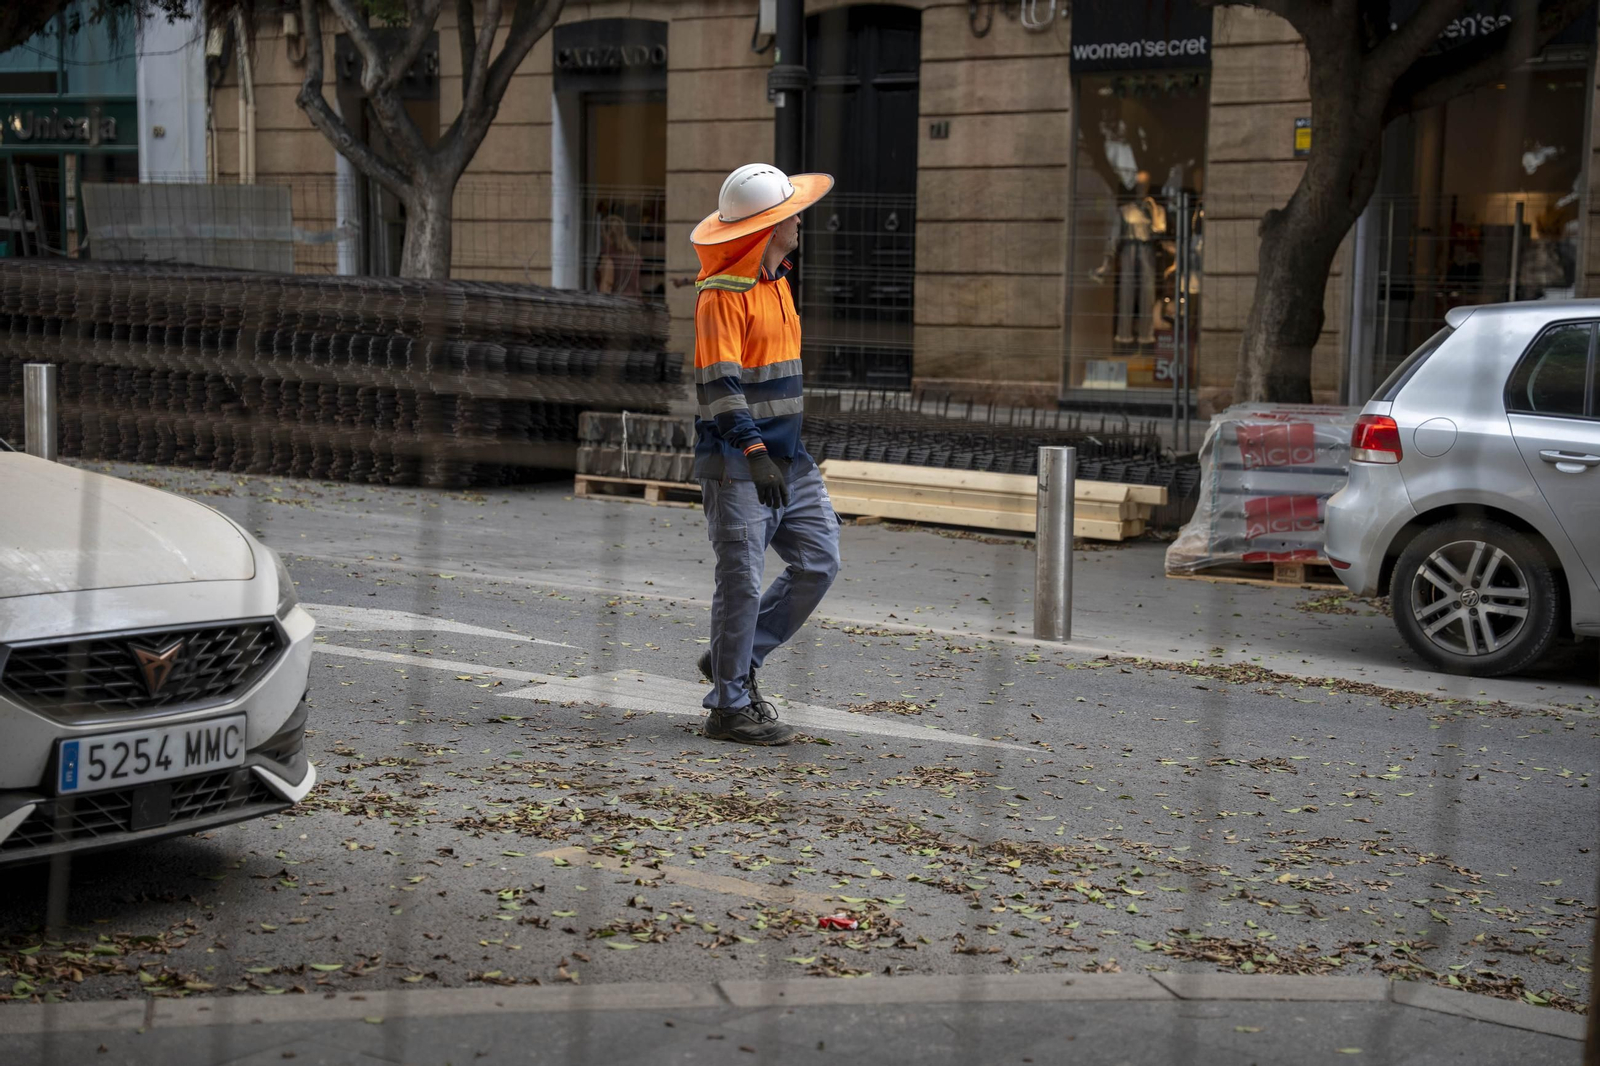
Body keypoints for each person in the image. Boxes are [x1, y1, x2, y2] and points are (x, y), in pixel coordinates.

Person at [689, 163, 839, 745]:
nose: (799, 221)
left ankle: (735, 656)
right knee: (742, 583)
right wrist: (754, 450)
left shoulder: (778, 281)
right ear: (768, 227)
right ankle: (728, 706)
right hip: (739, 463)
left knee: (820, 561)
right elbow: (718, 385)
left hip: (790, 458)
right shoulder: (720, 297)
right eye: (790, 215)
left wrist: (781, 451)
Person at [595, 215, 641, 298]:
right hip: (634, 304)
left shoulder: (608, 256)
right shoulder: (634, 256)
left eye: (602, 231)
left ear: (607, 234)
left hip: (615, 306)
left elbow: (606, 285)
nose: (601, 235)